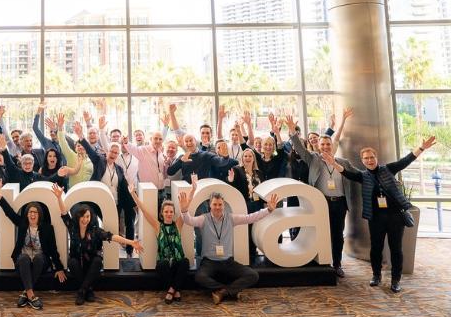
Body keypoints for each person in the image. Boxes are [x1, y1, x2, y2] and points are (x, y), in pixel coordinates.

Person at [322, 136, 436, 293]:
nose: (369, 160)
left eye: (372, 157)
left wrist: (421, 148)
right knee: (376, 248)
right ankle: (376, 275)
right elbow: (347, 173)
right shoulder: (363, 176)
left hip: (395, 216)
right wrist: (333, 164)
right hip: (375, 218)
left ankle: (396, 280)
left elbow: (406, 160)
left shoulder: (388, 169)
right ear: (362, 161)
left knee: (396, 248)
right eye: (366, 158)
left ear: (376, 158)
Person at [286, 114, 356, 278]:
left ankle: (337, 263)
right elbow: (300, 148)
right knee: (320, 232)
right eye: (322, 144)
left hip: (339, 203)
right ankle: (320, 260)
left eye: (327, 144)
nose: (325, 146)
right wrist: (291, 130)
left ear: (332, 145)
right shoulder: (313, 159)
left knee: (337, 234)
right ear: (318, 146)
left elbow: (358, 175)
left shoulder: (343, 162)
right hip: (320, 203)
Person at [180, 190, 278, 304]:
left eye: (220, 204)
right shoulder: (204, 219)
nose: (217, 207)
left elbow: (250, 217)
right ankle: (229, 290)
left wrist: (268, 210)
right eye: (214, 204)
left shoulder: (230, 218)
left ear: (224, 205)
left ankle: (222, 292)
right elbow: (189, 221)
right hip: (209, 262)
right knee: (199, 277)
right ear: (210, 205)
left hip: (228, 262)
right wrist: (184, 210)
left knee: (253, 275)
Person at [54, 183, 143, 305]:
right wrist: (59, 197)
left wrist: (131, 242)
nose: (85, 219)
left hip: (92, 266)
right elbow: (64, 214)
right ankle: (88, 289)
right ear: (78, 217)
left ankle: (82, 291)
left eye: (88, 216)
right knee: (72, 262)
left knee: (97, 261)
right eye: (83, 217)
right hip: (78, 265)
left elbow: (112, 237)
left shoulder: (95, 230)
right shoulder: (73, 228)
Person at [0, 179, 67, 310]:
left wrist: (59, 267)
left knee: (39, 257)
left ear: (39, 215)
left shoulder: (47, 228)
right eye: (30, 212)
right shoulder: (22, 224)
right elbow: (9, 212)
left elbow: (53, 250)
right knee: (23, 257)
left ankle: (26, 293)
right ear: (27, 214)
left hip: (40, 262)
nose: (32, 214)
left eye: (35, 212)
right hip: (24, 262)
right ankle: (31, 295)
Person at [74, 121, 138, 258]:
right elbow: (90, 151)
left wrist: (134, 198)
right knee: (94, 224)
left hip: (113, 202)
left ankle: (120, 253)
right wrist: (80, 135)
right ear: (107, 151)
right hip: (97, 201)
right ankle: (94, 250)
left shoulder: (119, 169)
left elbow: (124, 186)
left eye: (116, 152)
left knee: (112, 227)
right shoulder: (99, 160)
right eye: (112, 151)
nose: (113, 154)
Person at [130, 180, 192, 304]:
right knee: (161, 265)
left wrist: (193, 190)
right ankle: (176, 289)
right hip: (164, 265)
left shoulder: (178, 224)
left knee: (185, 262)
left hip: (177, 263)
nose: (169, 214)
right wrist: (133, 194)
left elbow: (186, 208)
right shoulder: (158, 226)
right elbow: (143, 210)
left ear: (174, 213)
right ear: (162, 213)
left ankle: (171, 290)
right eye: (166, 212)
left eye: (171, 212)